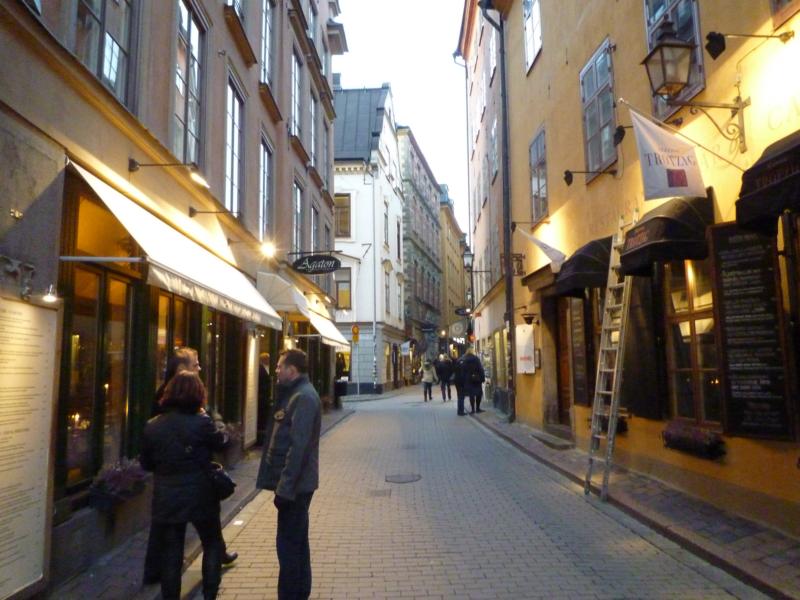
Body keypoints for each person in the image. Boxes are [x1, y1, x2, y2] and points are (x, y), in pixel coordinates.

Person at [144, 348, 237, 587]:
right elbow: (220, 443)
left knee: (172, 551)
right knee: (210, 541)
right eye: (195, 364)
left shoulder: (153, 425)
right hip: (200, 491)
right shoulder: (201, 420)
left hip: (168, 493)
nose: (199, 368)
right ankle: (209, 592)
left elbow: (147, 462)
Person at [256, 349, 321, 600]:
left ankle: (292, 594)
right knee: (295, 543)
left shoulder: (303, 397)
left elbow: (298, 447)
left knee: (289, 547)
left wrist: (285, 488)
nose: (276, 370)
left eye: (279, 366)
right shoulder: (296, 394)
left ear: (291, 370)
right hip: (295, 485)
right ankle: (298, 592)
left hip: (296, 487)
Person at [462, 348, 486, 414]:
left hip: (468, 379)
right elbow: (480, 369)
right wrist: (482, 378)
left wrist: (464, 379)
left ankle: (472, 409)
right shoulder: (476, 359)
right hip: (477, 379)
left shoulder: (464, 359)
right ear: (472, 352)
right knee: (478, 394)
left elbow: (463, 370)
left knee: (471, 394)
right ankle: (478, 408)